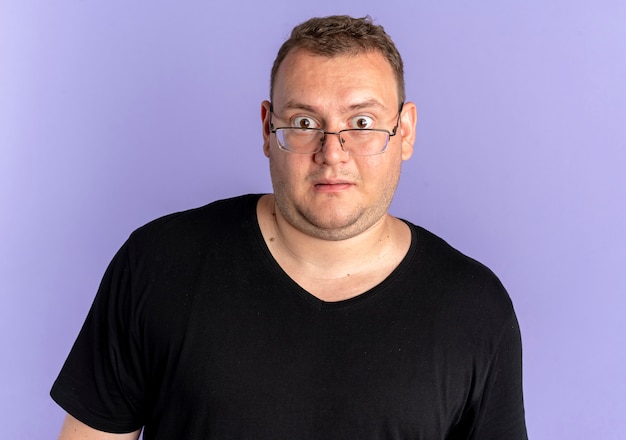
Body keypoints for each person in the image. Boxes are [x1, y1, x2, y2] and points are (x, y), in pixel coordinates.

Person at [51, 15, 527, 440]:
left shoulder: (474, 308)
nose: (332, 152)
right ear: (266, 129)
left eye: (361, 121)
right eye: (304, 121)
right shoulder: (159, 265)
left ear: (404, 132)